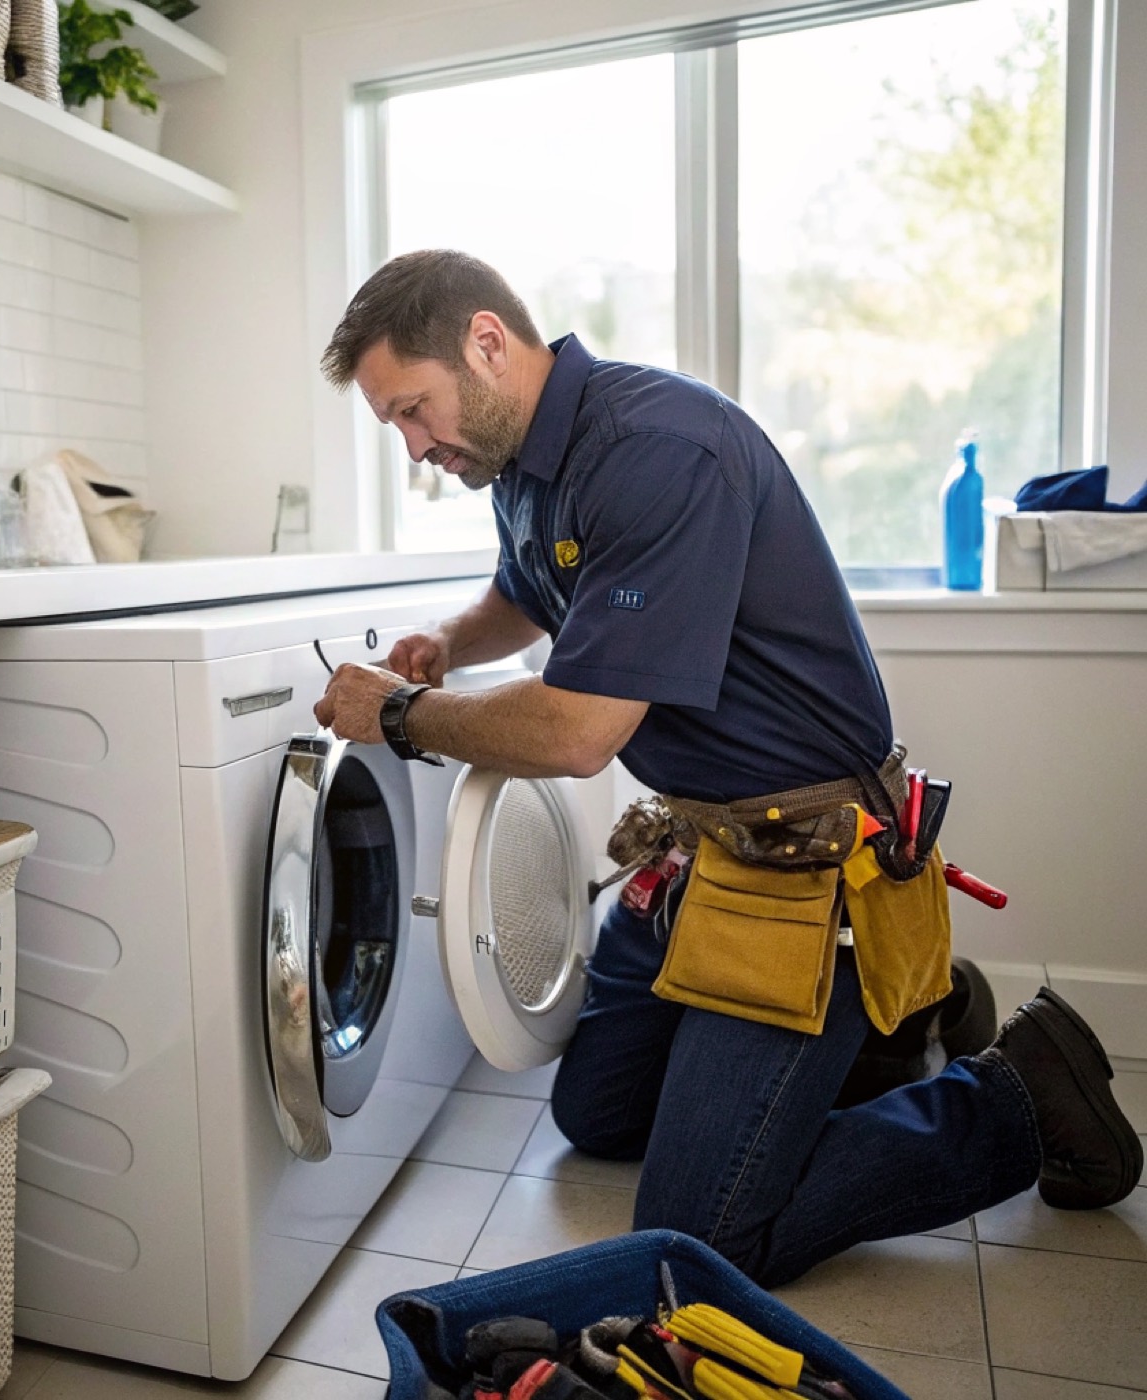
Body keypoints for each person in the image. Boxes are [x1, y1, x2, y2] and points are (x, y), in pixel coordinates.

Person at [312, 248, 1142, 1287]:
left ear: (486, 342)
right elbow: (527, 589)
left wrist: (399, 711)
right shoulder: (521, 464)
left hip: (805, 868)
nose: (413, 444)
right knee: (594, 1114)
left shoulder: (657, 449)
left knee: (700, 1235)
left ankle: (1012, 1092)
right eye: (394, 422)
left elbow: (577, 732)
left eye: (410, 410)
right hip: (698, 846)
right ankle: (899, 1025)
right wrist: (446, 641)